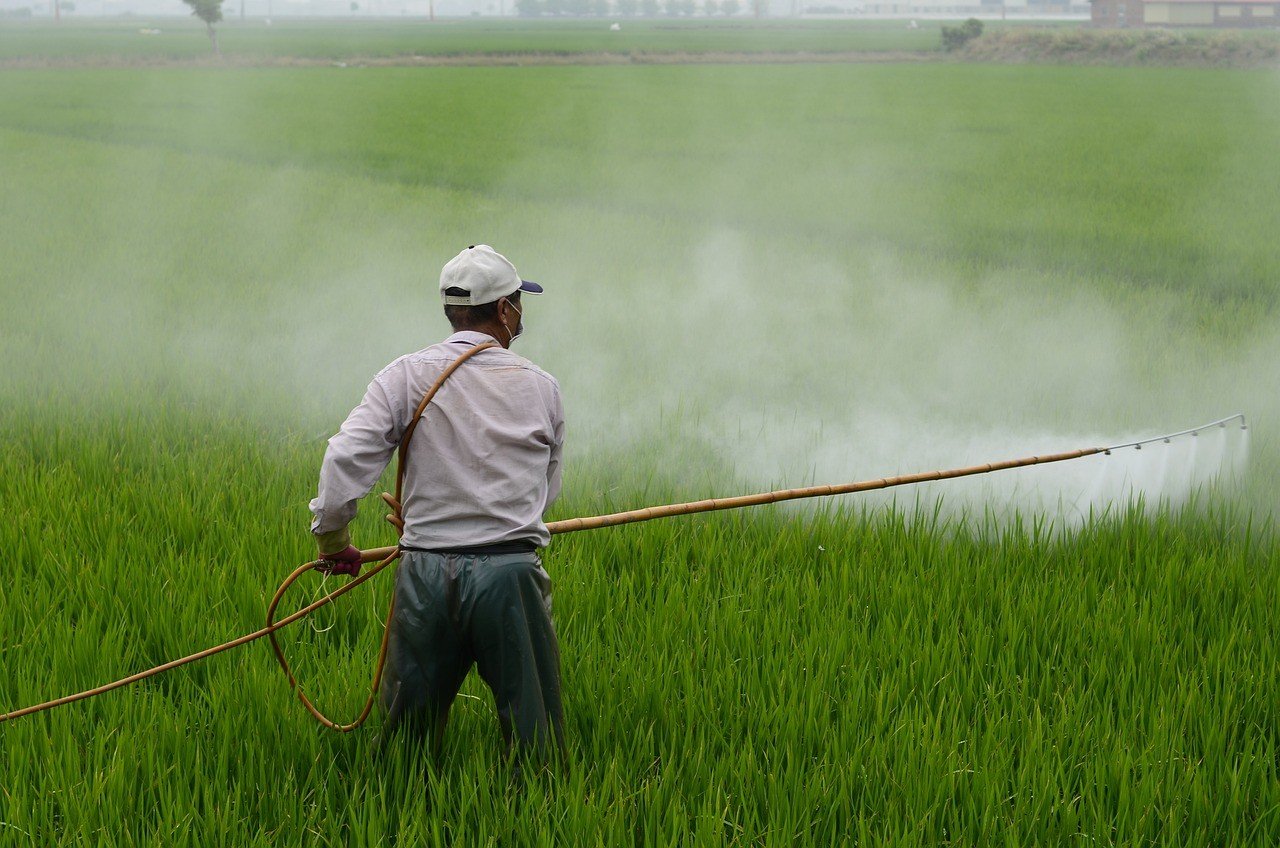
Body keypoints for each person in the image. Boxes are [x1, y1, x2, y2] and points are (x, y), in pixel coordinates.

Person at [308, 244, 566, 761]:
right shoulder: (540, 388)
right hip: (510, 575)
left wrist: (335, 542)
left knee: (407, 746)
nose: (520, 313)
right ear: (501, 309)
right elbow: (545, 490)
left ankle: (399, 813)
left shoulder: (404, 374)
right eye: (518, 301)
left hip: (425, 572)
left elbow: (343, 460)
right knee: (537, 741)